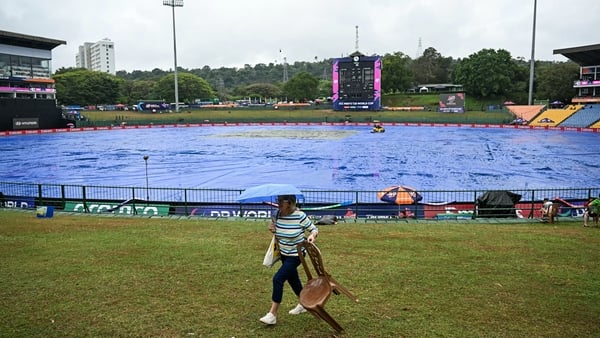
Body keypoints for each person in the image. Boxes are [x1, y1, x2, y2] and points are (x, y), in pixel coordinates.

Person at [259, 194, 319, 326]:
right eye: (277, 200)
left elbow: (314, 229)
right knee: (293, 280)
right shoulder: (277, 215)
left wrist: (312, 236)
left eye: (282, 201)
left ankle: (272, 314)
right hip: (284, 254)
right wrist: (272, 229)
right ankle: (304, 304)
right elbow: (278, 232)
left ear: (290, 202)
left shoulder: (299, 216)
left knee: (278, 279)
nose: (278, 203)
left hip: (297, 255)